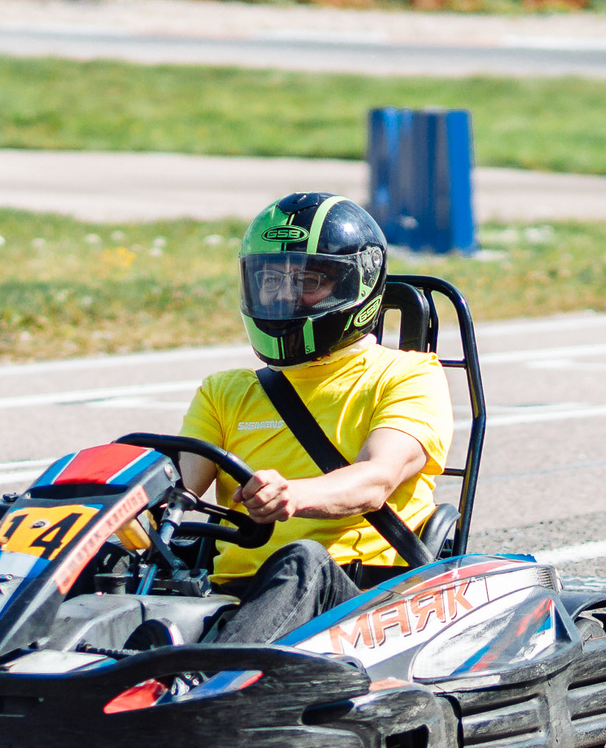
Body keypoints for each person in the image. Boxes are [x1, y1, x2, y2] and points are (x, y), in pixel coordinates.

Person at [177, 192, 452, 645]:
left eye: (307, 280)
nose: (284, 296)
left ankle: (210, 685)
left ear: (356, 286)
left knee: (300, 559)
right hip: (234, 599)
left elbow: (376, 479)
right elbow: (177, 495)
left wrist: (292, 495)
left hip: (358, 603)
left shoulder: (408, 374)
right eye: (270, 280)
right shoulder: (225, 390)